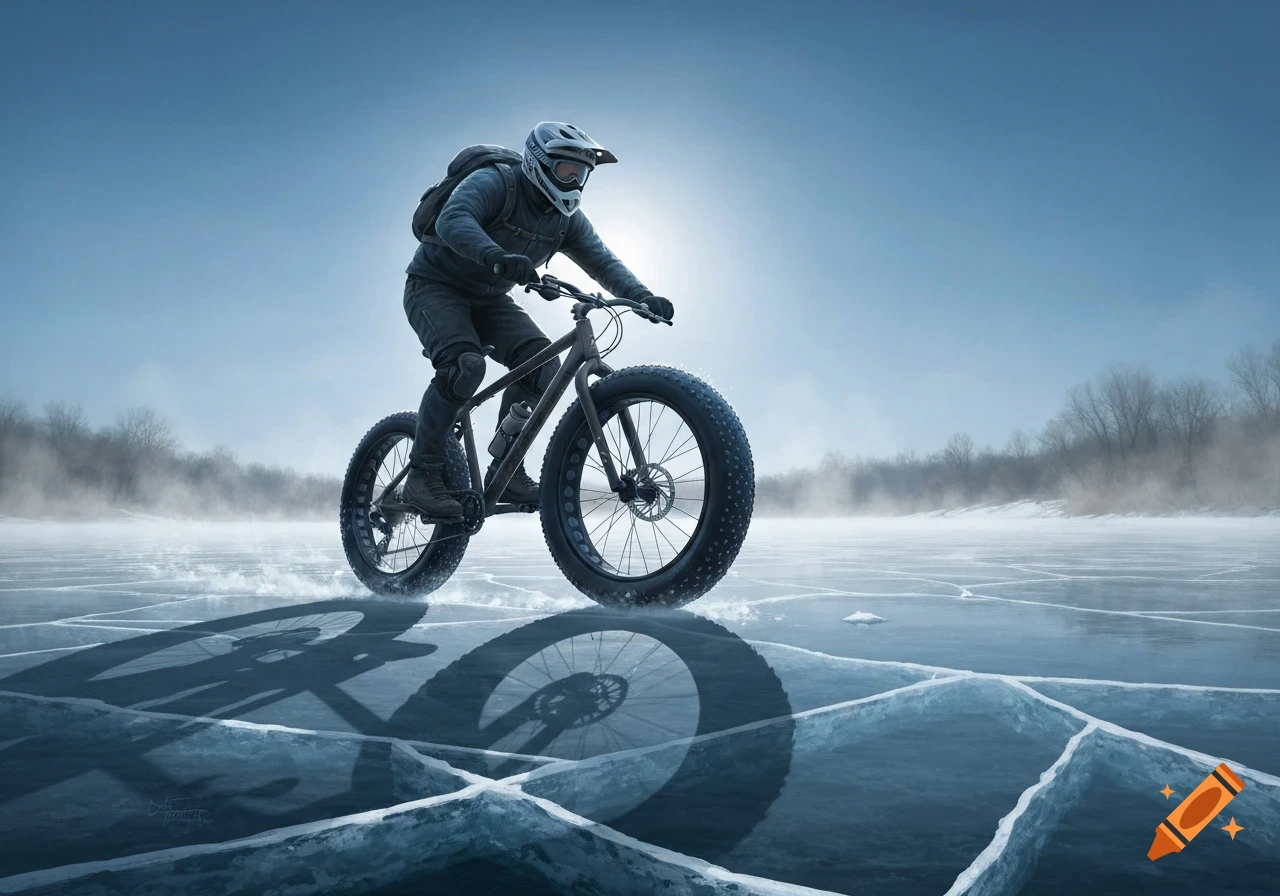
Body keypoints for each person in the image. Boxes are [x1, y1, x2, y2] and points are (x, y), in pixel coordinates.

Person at [399, 122, 674, 520]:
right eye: (567, 170)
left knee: (543, 371)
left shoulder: (567, 221)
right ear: (539, 163)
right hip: (434, 287)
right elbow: (453, 220)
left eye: (582, 174)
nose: (575, 181)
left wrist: (642, 296)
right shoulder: (496, 182)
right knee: (466, 366)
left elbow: (603, 262)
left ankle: (505, 468)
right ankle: (422, 475)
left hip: (491, 299)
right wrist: (495, 254)